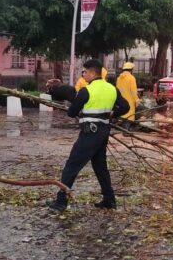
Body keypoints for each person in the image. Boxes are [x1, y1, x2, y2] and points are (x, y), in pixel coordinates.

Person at [46, 59, 129, 211]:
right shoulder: (112, 89)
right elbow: (125, 107)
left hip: (89, 134)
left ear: (92, 72)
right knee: (100, 167)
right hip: (103, 133)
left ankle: (61, 201)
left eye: (84, 71)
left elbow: (71, 113)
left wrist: (79, 107)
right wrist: (113, 113)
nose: (83, 74)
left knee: (72, 166)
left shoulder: (87, 90)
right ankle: (109, 200)